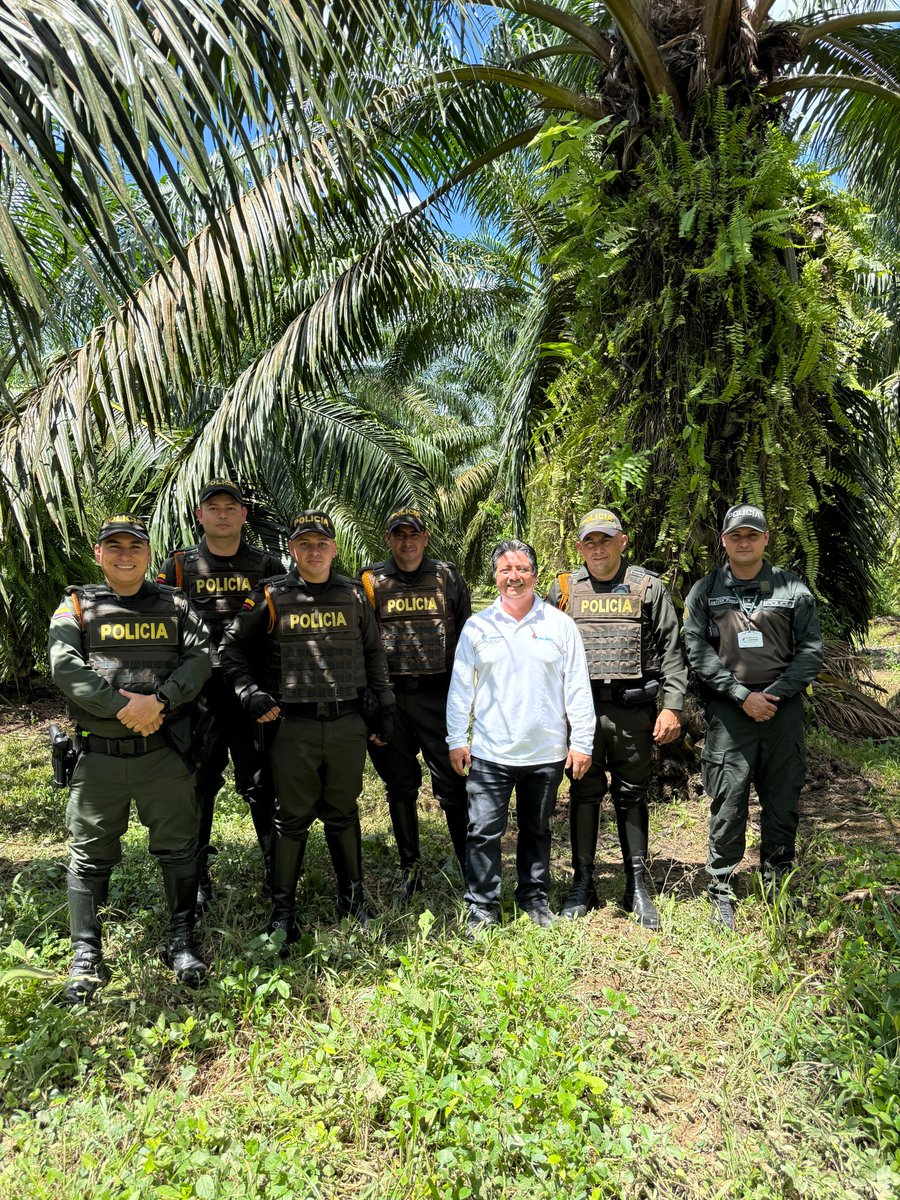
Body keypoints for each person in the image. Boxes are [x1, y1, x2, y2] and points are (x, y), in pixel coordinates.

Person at [48, 515, 212, 1003]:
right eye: (114, 546)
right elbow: (64, 666)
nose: (125, 555)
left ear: (147, 552)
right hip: (99, 756)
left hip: (163, 753)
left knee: (179, 849)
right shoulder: (76, 605)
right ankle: (85, 956)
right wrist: (125, 708)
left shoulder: (176, 604)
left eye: (134, 546)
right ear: (98, 554)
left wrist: (159, 701)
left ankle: (181, 942)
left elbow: (200, 657)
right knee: (89, 855)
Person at [221, 511, 394, 943]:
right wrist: (248, 692)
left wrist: (385, 708)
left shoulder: (354, 596)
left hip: (346, 724)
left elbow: (373, 654)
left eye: (321, 543)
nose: (314, 551)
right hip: (292, 726)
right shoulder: (271, 595)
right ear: (292, 550)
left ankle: (352, 903)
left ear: (333, 548)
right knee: (291, 818)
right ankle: (283, 913)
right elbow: (230, 649)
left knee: (343, 812)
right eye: (305, 544)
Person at [546, 508, 688, 929]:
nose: (598, 548)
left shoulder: (647, 588)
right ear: (579, 547)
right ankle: (583, 884)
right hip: (582, 714)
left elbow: (672, 651)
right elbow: (546, 652)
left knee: (632, 795)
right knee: (584, 791)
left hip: (632, 712)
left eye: (606, 540)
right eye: (590, 541)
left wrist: (672, 705)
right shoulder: (564, 590)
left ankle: (636, 887)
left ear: (622, 542)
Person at [683, 504, 824, 929]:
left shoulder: (792, 589)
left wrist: (773, 695)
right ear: (724, 541)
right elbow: (696, 649)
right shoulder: (705, 591)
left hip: (782, 711)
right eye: (736, 535)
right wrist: (742, 696)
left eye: (752, 535)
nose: (744, 542)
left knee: (782, 800)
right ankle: (721, 889)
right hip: (730, 712)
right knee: (729, 800)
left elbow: (811, 652)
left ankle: (777, 881)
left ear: (766, 539)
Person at [446, 539, 595, 935]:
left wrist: (582, 742)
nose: (513, 577)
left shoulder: (559, 625)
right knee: (482, 832)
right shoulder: (477, 627)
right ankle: (482, 907)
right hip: (490, 752)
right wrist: (456, 738)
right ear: (495, 576)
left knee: (537, 830)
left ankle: (533, 898)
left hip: (545, 752)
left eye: (522, 569)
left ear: (535, 574)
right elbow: (460, 687)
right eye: (505, 570)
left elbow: (578, 687)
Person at [157, 479, 285, 907]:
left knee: (262, 784)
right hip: (199, 695)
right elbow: (160, 623)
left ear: (244, 516)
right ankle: (197, 876)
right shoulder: (179, 566)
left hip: (251, 692)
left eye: (232, 507)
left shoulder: (267, 565)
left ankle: (275, 872)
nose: (223, 514)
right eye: (214, 508)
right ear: (200, 515)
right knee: (200, 782)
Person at [360, 508, 472, 896]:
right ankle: (411, 869)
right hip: (391, 699)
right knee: (400, 787)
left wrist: (464, 700)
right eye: (399, 535)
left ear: (425, 539)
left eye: (414, 535)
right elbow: (363, 641)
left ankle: (468, 868)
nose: (407, 542)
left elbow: (466, 637)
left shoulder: (448, 577)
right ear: (388, 539)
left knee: (454, 786)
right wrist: (373, 704)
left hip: (438, 697)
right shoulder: (371, 581)